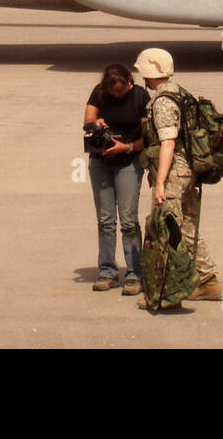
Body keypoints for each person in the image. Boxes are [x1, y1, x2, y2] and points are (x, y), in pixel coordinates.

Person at [134, 48, 223, 305]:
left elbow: (168, 144)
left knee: (166, 229)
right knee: (186, 227)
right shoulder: (180, 93)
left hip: (175, 173)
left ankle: (168, 293)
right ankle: (207, 281)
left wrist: (160, 183)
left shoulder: (163, 101)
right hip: (191, 172)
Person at [83, 63, 149, 296]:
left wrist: (127, 147)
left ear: (128, 81)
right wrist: (96, 124)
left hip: (129, 160)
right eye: (113, 93)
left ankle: (134, 273)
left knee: (129, 220)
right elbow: (87, 122)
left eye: (120, 92)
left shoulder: (140, 96)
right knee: (105, 219)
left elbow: (149, 137)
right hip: (101, 160)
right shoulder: (99, 92)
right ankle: (108, 271)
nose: (117, 96)